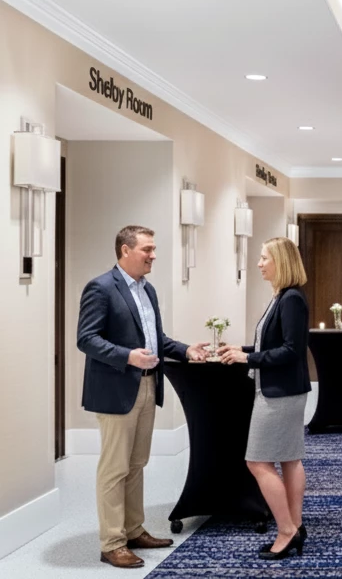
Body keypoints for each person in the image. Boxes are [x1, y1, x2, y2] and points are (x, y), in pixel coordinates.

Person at [76, 225, 208, 569]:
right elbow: (86, 338)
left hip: (148, 385)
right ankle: (112, 542)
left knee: (136, 465)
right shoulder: (101, 288)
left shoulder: (147, 290)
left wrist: (185, 350)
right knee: (114, 468)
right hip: (117, 388)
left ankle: (134, 530)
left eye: (153, 249)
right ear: (125, 250)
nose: (153, 255)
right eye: (147, 249)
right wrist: (127, 356)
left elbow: (157, 339)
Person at [219, 236, 310, 561]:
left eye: (263, 258)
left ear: (280, 262)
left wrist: (248, 360)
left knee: (257, 462)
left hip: (280, 393)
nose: (259, 264)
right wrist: (241, 350)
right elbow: (273, 343)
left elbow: (291, 351)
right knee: (288, 459)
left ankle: (286, 530)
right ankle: (295, 527)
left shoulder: (291, 300)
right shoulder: (282, 297)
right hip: (282, 390)